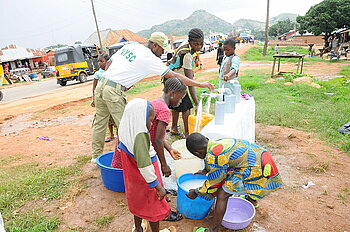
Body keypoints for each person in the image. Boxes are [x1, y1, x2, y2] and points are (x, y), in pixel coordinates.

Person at [91, 31, 214, 163]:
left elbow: (109, 63)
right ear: (155, 46)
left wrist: (119, 78)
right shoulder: (149, 57)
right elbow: (174, 76)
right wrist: (200, 84)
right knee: (126, 126)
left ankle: (96, 156)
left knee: (99, 123)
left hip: (102, 84)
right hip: (113, 91)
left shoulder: (131, 46)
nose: (162, 53)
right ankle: (127, 160)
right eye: (162, 49)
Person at [185, 133, 283, 232]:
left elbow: (213, 182)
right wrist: (205, 170)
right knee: (230, 179)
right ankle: (251, 200)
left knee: (222, 194)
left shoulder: (214, 156)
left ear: (197, 153)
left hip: (257, 169)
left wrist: (196, 192)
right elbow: (214, 162)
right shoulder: (217, 144)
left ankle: (213, 230)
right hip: (262, 158)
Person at [118, 98, 181, 232]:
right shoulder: (140, 136)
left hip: (133, 180)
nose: (152, 124)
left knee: (137, 202)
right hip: (147, 181)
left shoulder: (127, 129)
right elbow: (145, 166)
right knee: (153, 207)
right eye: (151, 120)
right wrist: (157, 187)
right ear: (139, 118)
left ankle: (138, 227)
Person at [166, 28, 205, 138]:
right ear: (190, 41)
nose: (199, 46)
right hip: (175, 80)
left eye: (201, 43)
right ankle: (188, 134)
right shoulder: (186, 54)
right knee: (186, 107)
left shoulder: (186, 46)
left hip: (170, 78)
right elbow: (190, 82)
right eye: (196, 44)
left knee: (176, 105)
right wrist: (197, 103)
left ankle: (174, 128)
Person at [150, 78, 186, 178]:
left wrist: (170, 149)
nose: (181, 101)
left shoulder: (156, 102)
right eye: (181, 97)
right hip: (145, 147)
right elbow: (157, 140)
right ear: (173, 94)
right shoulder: (164, 111)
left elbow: (157, 135)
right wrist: (164, 165)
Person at [91, 53, 116, 143]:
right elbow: (94, 87)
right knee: (107, 119)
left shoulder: (111, 72)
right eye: (98, 61)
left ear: (107, 62)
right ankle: (111, 135)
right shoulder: (97, 73)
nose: (99, 63)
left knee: (115, 117)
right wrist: (94, 99)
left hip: (111, 98)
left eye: (101, 61)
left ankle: (119, 136)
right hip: (101, 99)